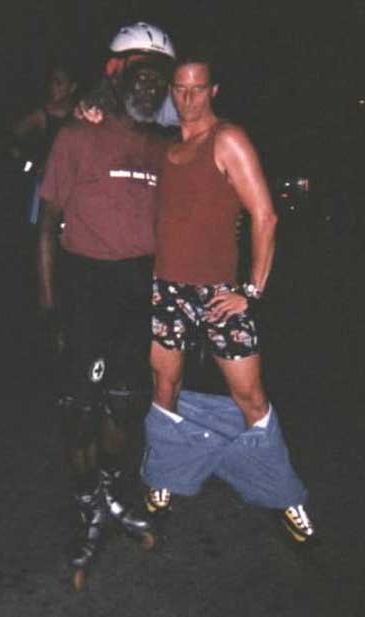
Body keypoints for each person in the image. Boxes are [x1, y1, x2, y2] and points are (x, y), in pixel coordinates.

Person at [141, 55, 316, 544]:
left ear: (213, 90)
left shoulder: (227, 139)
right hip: (168, 288)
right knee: (164, 386)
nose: (188, 98)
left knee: (250, 396)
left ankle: (284, 493)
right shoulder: (168, 146)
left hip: (219, 293)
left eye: (197, 88)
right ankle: (165, 477)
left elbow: (266, 217)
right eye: (180, 88)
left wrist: (251, 292)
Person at [37, 22, 175, 588]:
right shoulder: (77, 135)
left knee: (124, 404)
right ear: (116, 74)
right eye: (139, 75)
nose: (149, 86)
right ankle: (86, 508)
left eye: (158, 79)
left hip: (138, 291)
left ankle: (114, 494)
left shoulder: (163, 144)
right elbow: (46, 226)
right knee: (80, 411)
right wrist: (50, 308)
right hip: (85, 290)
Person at [11, 63, 78, 224]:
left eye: (59, 83)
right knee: (39, 224)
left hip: (71, 183)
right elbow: (12, 136)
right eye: (52, 82)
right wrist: (25, 159)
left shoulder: (79, 115)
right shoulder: (42, 114)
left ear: (72, 87)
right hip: (45, 183)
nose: (53, 87)